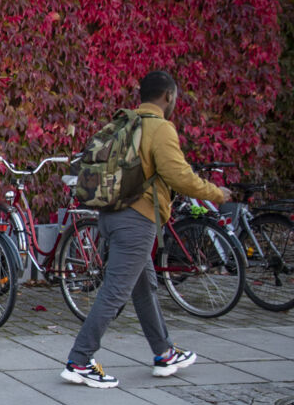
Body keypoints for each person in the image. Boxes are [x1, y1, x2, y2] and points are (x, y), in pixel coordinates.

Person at [61, 70, 231, 389]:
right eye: (175, 98)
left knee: (144, 286)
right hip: (137, 220)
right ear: (167, 96)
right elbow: (179, 175)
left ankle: (164, 352)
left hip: (110, 215)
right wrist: (216, 193)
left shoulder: (122, 123)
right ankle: (79, 360)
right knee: (115, 291)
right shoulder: (159, 128)